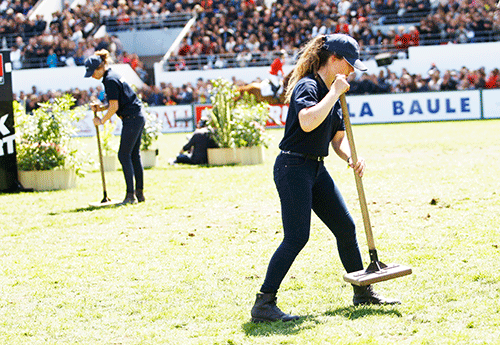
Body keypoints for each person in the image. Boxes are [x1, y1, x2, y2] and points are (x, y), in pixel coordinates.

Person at [250, 34, 400, 324]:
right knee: (296, 237)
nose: (352, 72)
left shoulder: (334, 89)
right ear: (333, 60)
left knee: (345, 227)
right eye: (349, 65)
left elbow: (338, 139)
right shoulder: (309, 86)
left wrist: (350, 157)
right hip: (292, 166)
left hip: (316, 169)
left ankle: (362, 291)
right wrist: (333, 95)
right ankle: (264, 303)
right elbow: (307, 122)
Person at [84, 49, 146, 204]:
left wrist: (102, 120)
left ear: (100, 68)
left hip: (131, 118)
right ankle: (139, 193)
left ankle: (130, 196)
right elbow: (115, 102)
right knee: (133, 155)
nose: (92, 75)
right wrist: (101, 108)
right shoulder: (112, 75)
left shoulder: (109, 80)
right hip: (137, 116)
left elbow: (114, 106)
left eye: (93, 72)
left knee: (123, 155)